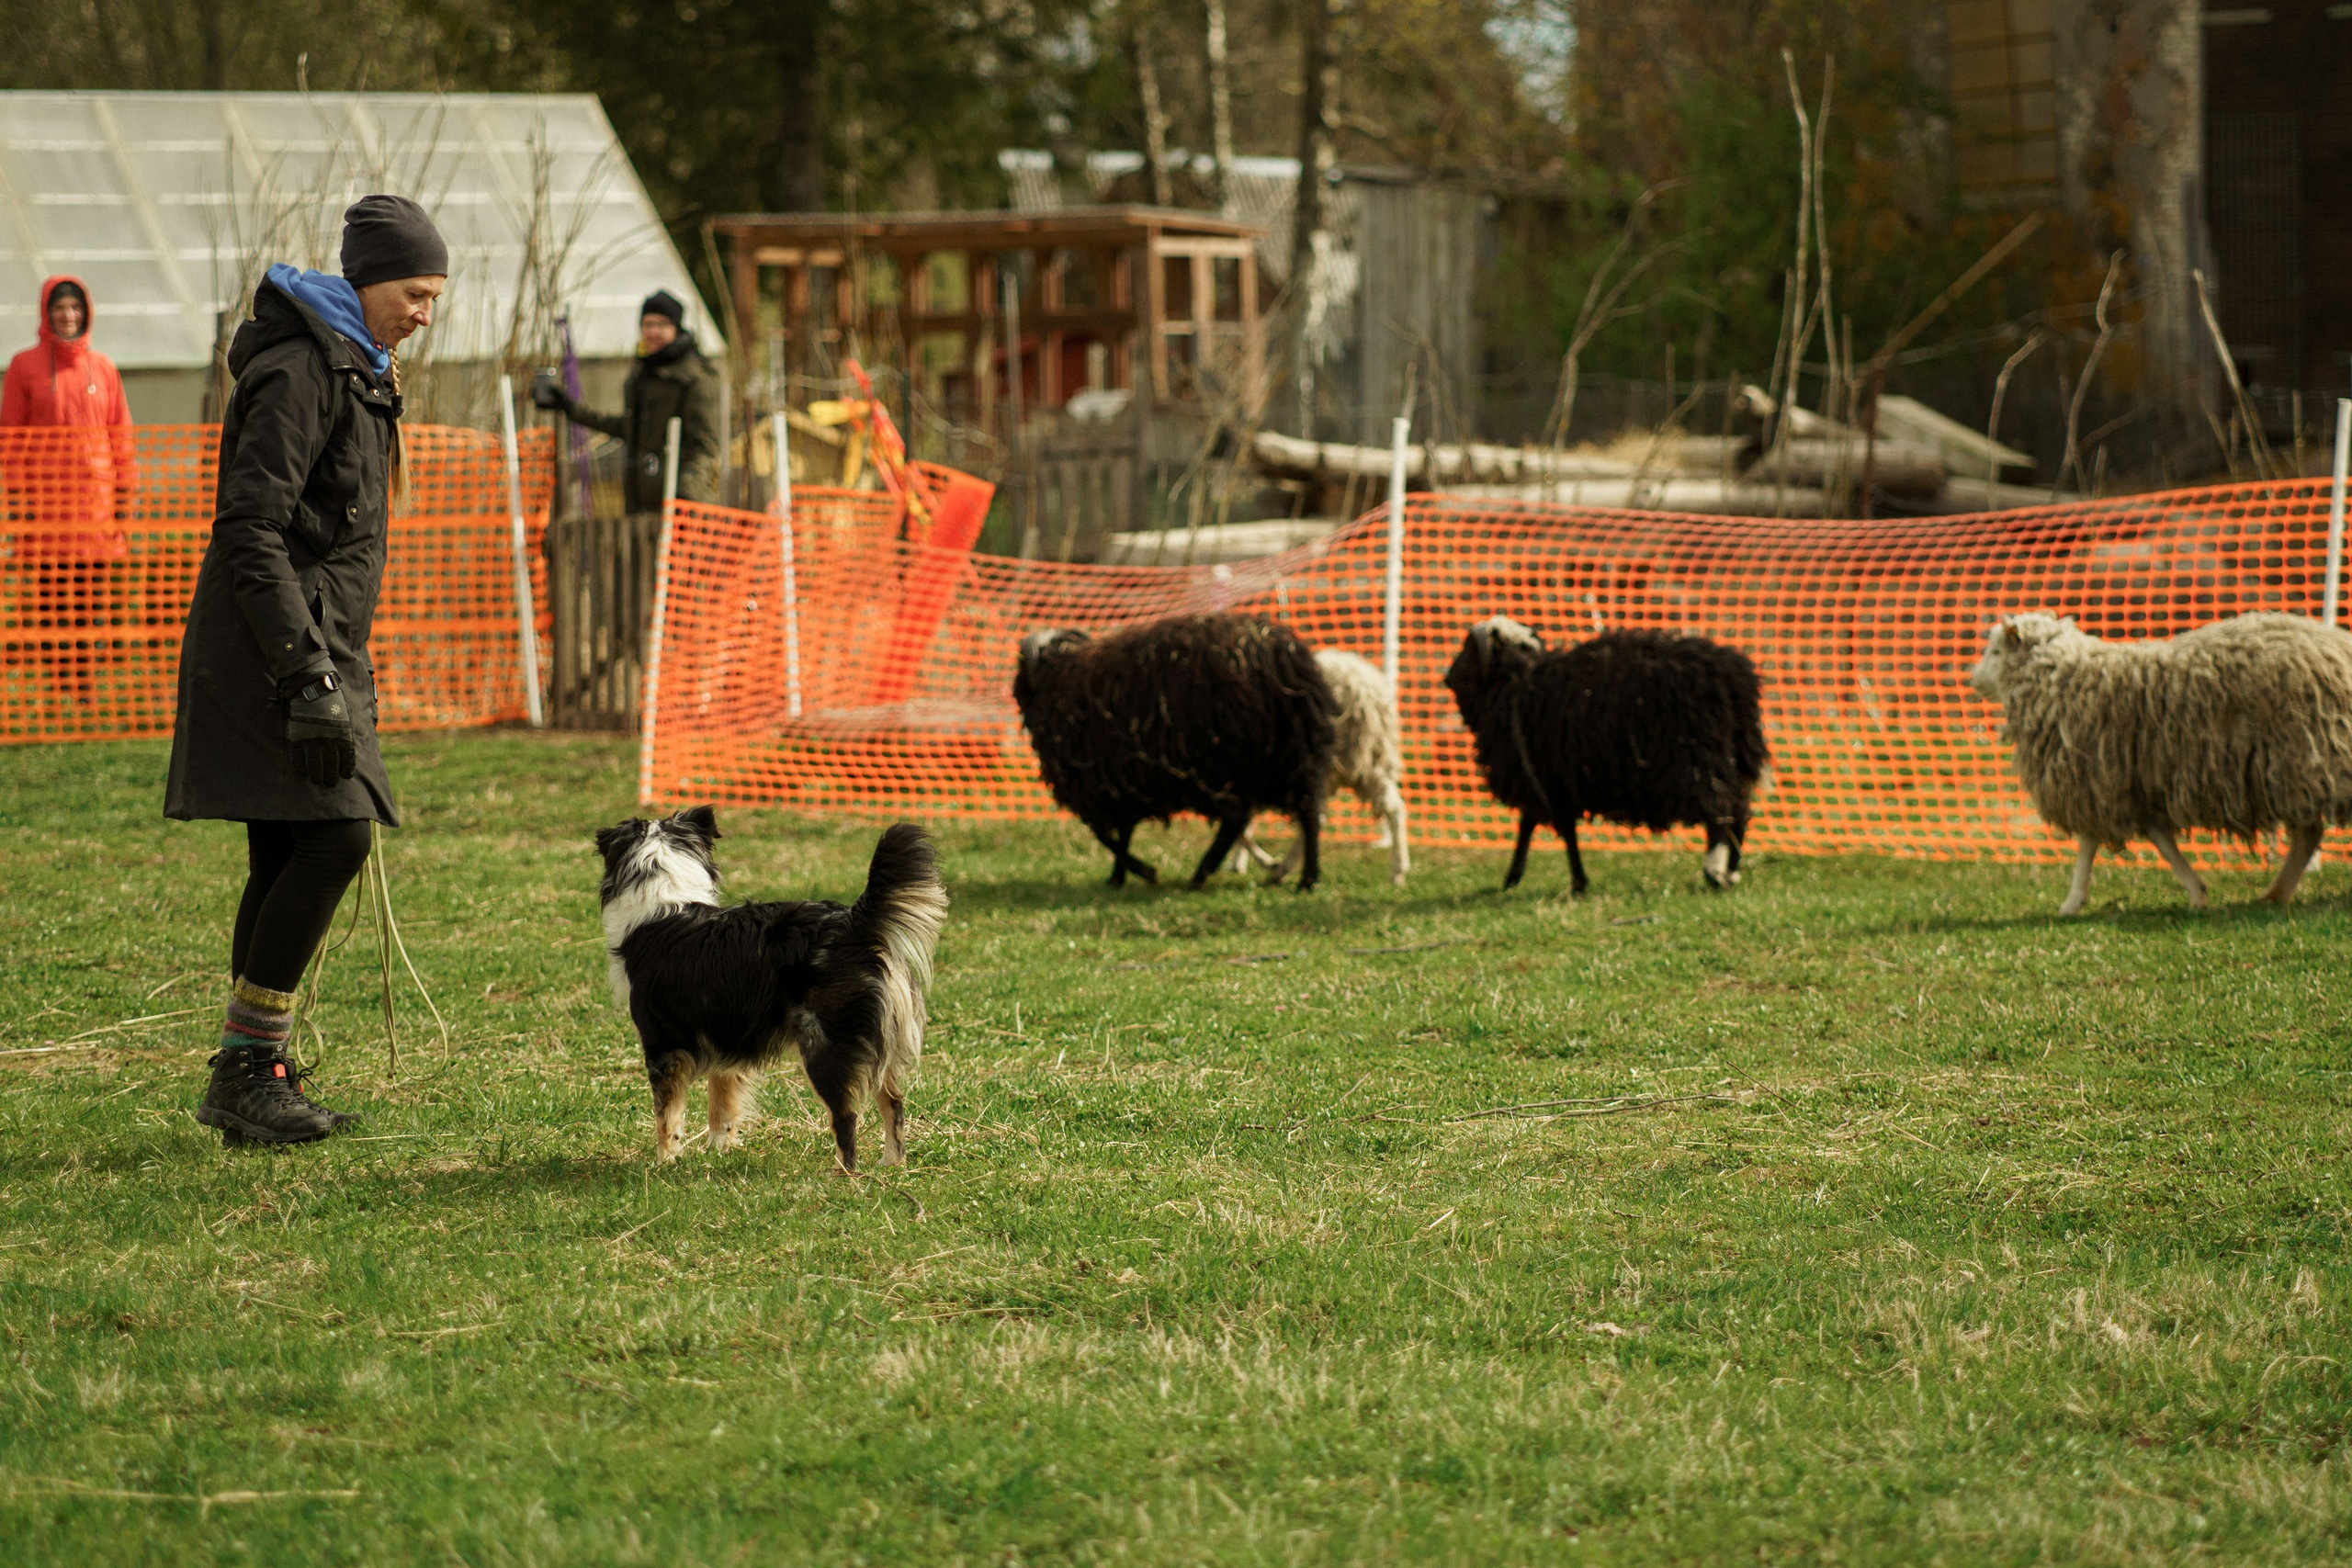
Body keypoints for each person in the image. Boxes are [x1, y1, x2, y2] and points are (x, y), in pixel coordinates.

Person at [164, 196, 448, 1146]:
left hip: (306, 647)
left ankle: (257, 1069)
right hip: (271, 655)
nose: (425, 312)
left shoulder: (357, 369)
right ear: (368, 283)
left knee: (288, 847)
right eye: (415, 292)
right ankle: (248, 1065)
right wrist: (306, 674)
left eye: (435, 295)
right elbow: (250, 530)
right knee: (335, 842)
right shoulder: (302, 372)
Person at [1, 276, 135, 703]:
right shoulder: (23, 367)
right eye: (60, 307)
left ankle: (82, 689)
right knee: (51, 605)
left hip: (95, 513)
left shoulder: (106, 368)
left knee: (88, 606)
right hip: (46, 513)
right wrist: (20, 501)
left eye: (75, 307)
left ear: (86, 312)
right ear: (47, 312)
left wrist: (124, 502)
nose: (68, 315)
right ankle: (59, 685)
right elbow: (11, 441)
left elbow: (122, 440)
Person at [533, 289, 719, 507]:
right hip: (640, 501)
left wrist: (688, 492)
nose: (653, 332)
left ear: (676, 328)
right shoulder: (642, 373)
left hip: (681, 506)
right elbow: (629, 428)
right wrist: (570, 408)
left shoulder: (695, 377)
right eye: (647, 325)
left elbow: (705, 447)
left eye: (661, 325)